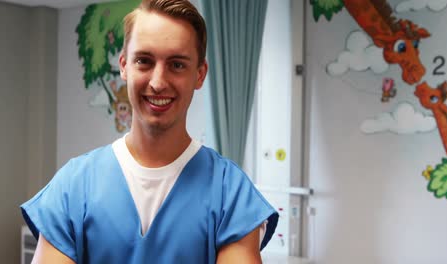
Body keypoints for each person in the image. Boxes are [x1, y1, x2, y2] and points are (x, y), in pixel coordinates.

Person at [21, 0, 278, 263]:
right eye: (144, 61)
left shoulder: (230, 194)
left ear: (200, 74)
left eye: (177, 65)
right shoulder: (73, 187)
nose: (157, 82)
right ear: (124, 66)